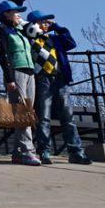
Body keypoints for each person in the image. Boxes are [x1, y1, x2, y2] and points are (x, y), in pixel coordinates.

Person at [25, 10, 93, 165]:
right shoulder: (31, 39)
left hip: (60, 79)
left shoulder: (54, 39)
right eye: (44, 21)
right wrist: (34, 27)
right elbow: (26, 34)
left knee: (68, 117)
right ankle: (44, 151)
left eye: (48, 22)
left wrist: (58, 27)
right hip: (42, 79)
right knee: (43, 117)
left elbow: (71, 42)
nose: (47, 24)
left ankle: (75, 152)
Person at [0, 0, 41, 166]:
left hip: (29, 70)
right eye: (15, 11)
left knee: (26, 110)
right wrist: (9, 78)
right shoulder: (1, 31)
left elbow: (38, 38)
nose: (19, 14)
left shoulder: (21, 30)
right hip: (16, 70)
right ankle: (28, 152)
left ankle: (17, 153)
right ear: (6, 13)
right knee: (22, 111)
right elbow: (3, 55)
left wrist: (26, 25)